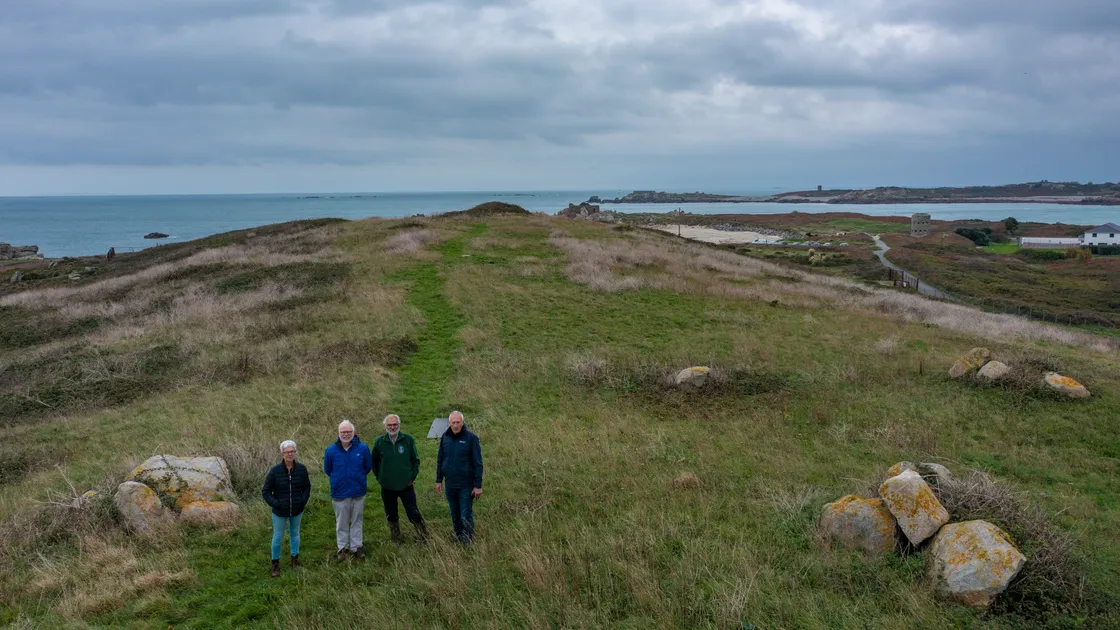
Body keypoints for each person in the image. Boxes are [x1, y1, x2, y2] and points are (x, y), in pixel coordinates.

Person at [372, 414, 428, 545]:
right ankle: (396, 539)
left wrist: (412, 477)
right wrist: (379, 477)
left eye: (395, 424)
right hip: (387, 486)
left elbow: (416, 461)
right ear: (385, 426)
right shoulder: (379, 442)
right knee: (391, 513)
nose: (392, 427)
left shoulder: (408, 440)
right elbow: (374, 461)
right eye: (389, 425)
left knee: (413, 512)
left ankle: (423, 536)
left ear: (399, 425)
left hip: (406, 485)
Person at [324, 419, 372, 561]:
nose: (346, 434)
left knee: (357, 519)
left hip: (358, 490)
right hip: (339, 492)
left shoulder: (362, 449)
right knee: (341, 522)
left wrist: (357, 478)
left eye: (349, 432)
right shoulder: (331, 450)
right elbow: (328, 469)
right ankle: (342, 548)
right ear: (338, 433)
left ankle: (357, 546)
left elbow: (367, 467)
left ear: (354, 432)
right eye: (343, 432)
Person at [261, 439, 311, 578]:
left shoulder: (301, 469)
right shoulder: (275, 471)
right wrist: (276, 503)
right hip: (279, 512)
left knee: (295, 534)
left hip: (296, 509)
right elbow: (265, 491)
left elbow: (307, 487)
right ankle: (275, 565)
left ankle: (295, 559)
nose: (290, 454)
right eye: (287, 452)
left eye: (292, 451)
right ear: (282, 454)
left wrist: (303, 501)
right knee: (278, 537)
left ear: (295, 453)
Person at [435, 410, 483, 543]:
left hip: (465, 485)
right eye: (453, 422)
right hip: (450, 484)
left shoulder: (471, 438)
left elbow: (478, 463)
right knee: (454, 514)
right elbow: (440, 459)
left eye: (458, 422)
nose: (455, 425)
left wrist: (478, 485)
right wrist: (439, 480)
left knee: (465, 514)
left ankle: (468, 540)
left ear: (462, 423)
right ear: (449, 423)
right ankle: (458, 537)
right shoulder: (445, 437)